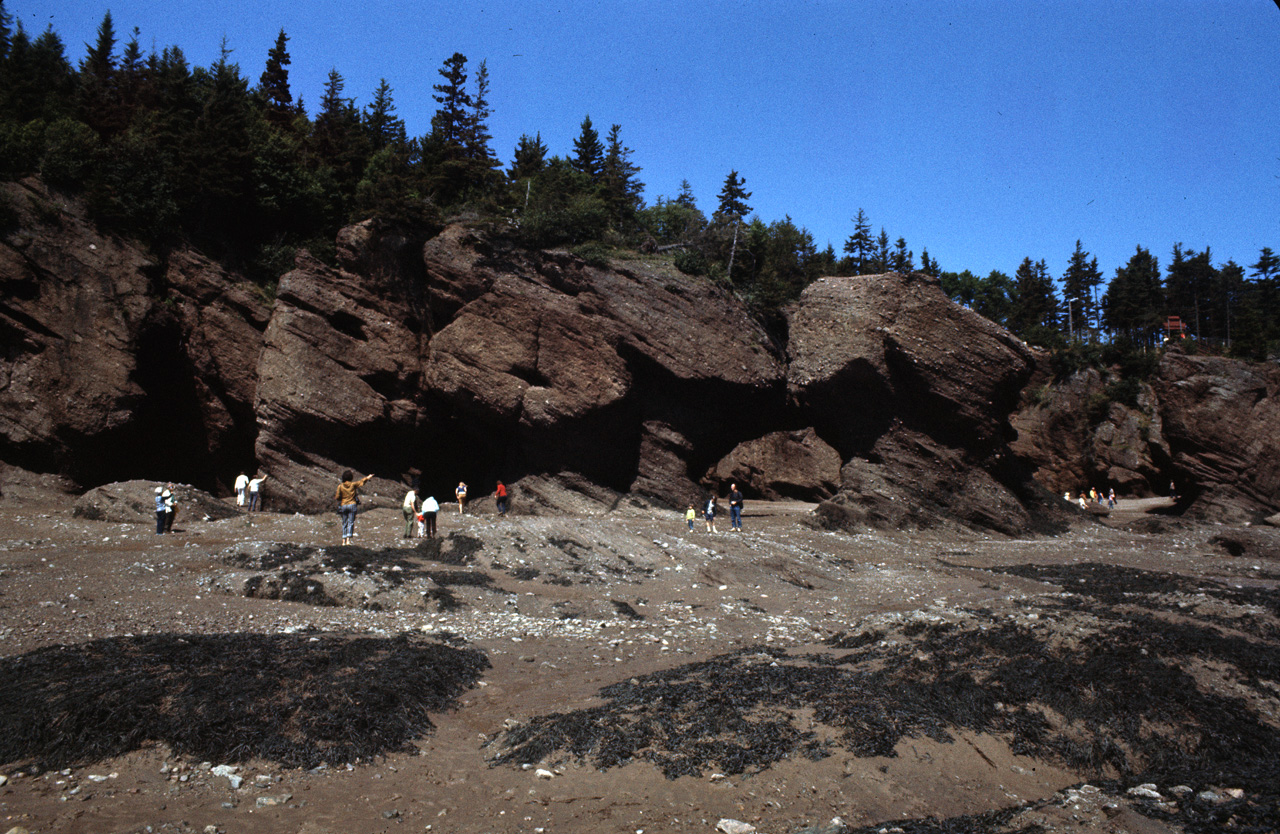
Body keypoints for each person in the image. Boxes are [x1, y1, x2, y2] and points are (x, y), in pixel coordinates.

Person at [335, 469, 374, 545]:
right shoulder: (353, 485)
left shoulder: (340, 486)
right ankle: (348, 540)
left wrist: (342, 498)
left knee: (344, 522)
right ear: (351, 477)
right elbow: (361, 482)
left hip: (343, 505)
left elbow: (337, 497)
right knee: (351, 522)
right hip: (352, 504)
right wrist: (368, 477)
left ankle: (343, 540)